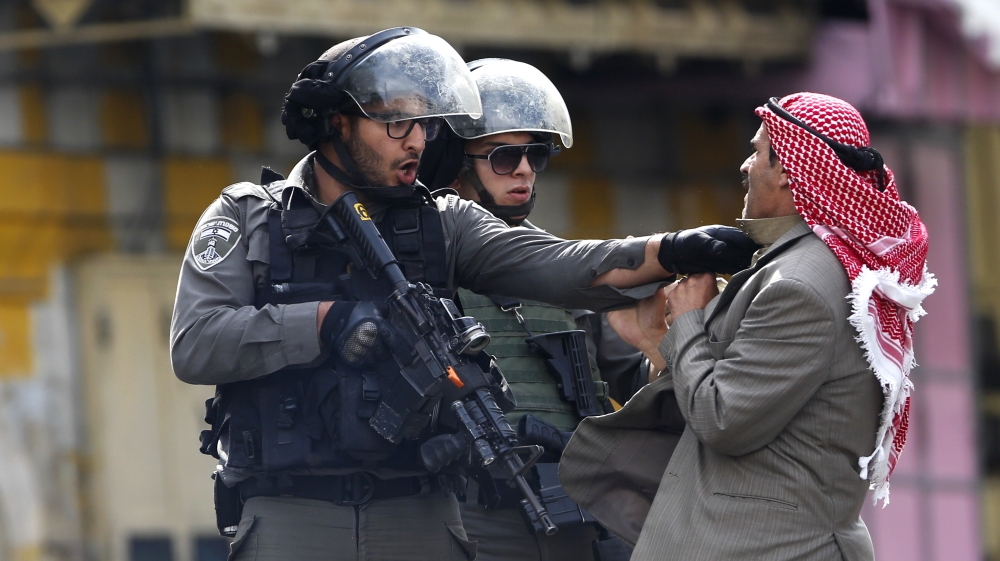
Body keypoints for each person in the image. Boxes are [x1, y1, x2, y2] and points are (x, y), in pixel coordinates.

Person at [170, 27, 756, 561]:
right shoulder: (249, 215)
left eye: (425, 124)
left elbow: (555, 265)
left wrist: (672, 250)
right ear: (338, 123)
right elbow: (196, 343)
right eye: (398, 122)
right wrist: (327, 321)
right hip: (292, 512)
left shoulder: (444, 221)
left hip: (421, 511)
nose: (418, 141)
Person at [559, 92, 937, 561]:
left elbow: (724, 418)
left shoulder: (799, 285)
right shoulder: (810, 269)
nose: (744, 165)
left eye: (757, 152)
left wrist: (692, 320)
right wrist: (661, 339)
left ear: (786, 170)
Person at [417, 58, 646, 561]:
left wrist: (670, 343)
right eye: (501, 157)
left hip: (573, 503)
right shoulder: (420, 268)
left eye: (534, 155)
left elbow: (634, 377)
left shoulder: (563, 269)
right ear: (456, 162)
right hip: (469, 509)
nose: (522, 170)